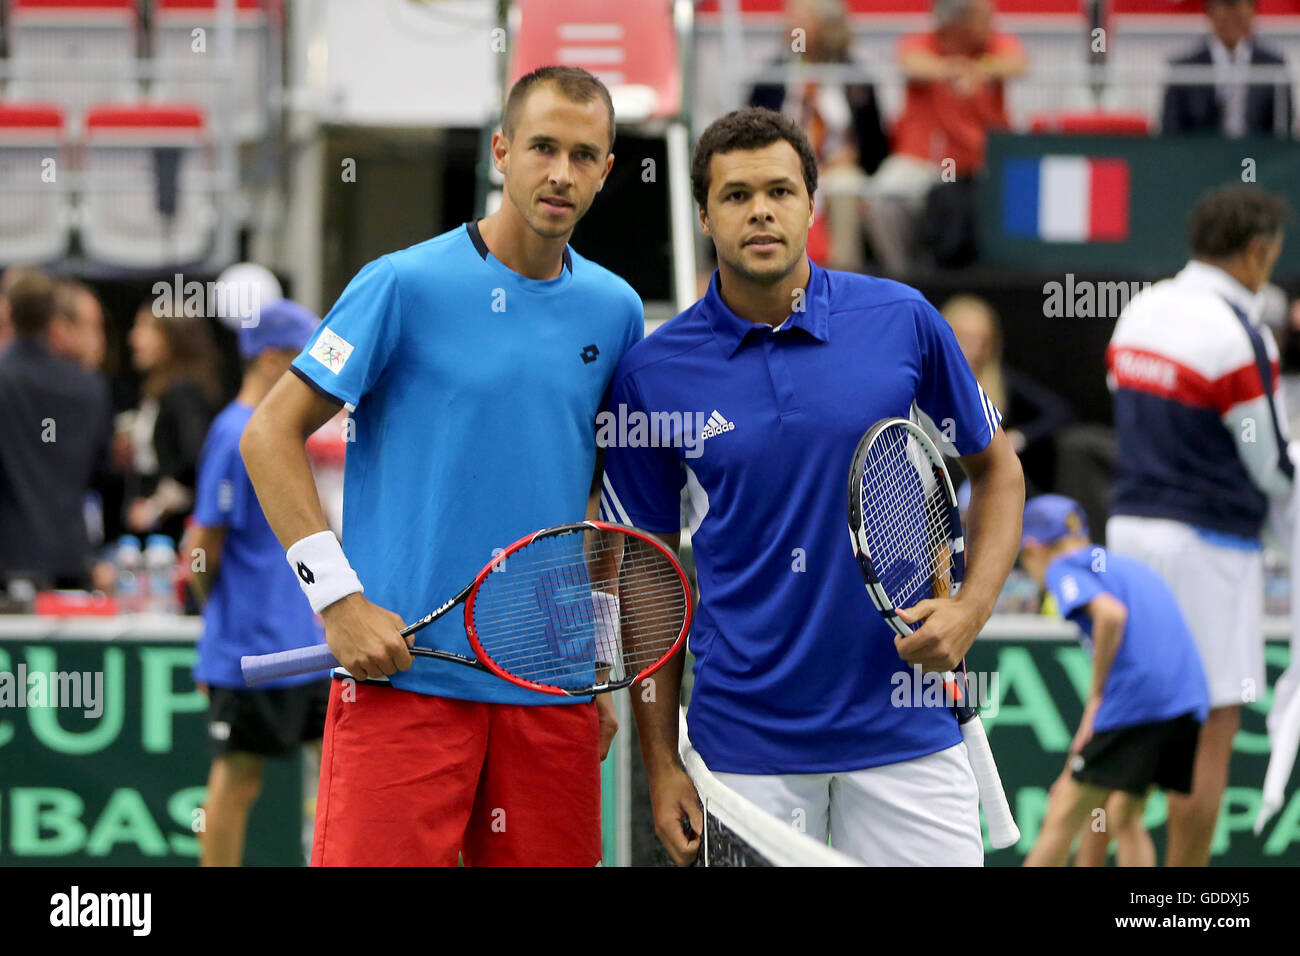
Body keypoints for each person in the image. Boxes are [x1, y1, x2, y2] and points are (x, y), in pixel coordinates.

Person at [239, 66, 643, 866]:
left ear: (606, 171)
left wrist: (598, 665)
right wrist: (340, 602)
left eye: (583, 154)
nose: (560, 172)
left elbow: (597, 500)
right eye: (542, 147)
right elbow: (268, 435)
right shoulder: (399, 284)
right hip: (405, 688)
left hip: (550, 696)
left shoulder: (617, 310)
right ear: (501, 152)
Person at [601, 107, 1024, 866]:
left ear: (810, 204)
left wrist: (971, 610)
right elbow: (648, 577)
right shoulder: (650, 375)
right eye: (735, 196)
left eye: (779, 191)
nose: (759, 210)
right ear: (704, 214)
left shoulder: (902, 320)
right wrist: (661, 765)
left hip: (909, 724)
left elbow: (999, 470)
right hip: (744, 746)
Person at [1106, 184, 1292, 866]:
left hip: (1127, 534)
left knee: (1135, 719)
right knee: (1210, 726)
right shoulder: (1239, 334)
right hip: (1205, 549)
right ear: (1255, 253)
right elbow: (1269, 466)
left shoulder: (1140, 309)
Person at [186, 299, 329, 867]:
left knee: (340, 771)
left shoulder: (277, 431)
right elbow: (201, 548)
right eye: (302, 359)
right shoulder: (231, 434)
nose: (316, 376)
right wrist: (220, 624)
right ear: (272, 360)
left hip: (308, 645)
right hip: (247, 651)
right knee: (237, 781)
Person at [1018, 495, 1210, 867]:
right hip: (1188, 703)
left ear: (1032, 548)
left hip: (1141, 702)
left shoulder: (1062, 566)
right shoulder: (1125, 567)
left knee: (1062, 814)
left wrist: (1096, 696)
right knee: (1123, 813)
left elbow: (1110, 616)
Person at [867, 0, 1026, 273]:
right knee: (884, 198)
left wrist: (979, 71)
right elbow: (910, 62)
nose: (991, 22)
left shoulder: (993, 45)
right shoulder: (923, 42)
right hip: (922, 162)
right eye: (982, 17)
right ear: (957, 21)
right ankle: (903, 278)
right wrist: (951, 71)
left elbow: (1018, 62)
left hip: (981, 165)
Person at [749, 0, 889, 272]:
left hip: (840, 169)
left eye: (799, 16)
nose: (789, 24)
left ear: (825, 25)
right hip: (783, 166)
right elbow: (751, 135)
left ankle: (843, 276)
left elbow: (876, 146)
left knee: (845, 186)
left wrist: (854, 155)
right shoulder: (772, 76)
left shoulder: (854, 76)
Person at [0, 271, 111, 591]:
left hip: (8, 560)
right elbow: (102, 471)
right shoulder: (89, 386)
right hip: (71, 558)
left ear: (9, 313)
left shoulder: (6, 379)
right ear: (53, 319)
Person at [941, 294, 1075, 494]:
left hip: (983, 488)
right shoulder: (926, 381)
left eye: (982, 342)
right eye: (964, 339)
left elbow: (1060, 412)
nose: (974, 351)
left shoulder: (1001, 381)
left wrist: (1018, 438)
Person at [121, 303, 221, 545]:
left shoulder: (184, 391)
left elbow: (195, 459)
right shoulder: (159, 390)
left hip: (172, 537)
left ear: (173, 338)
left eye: (146, 328)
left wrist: (157, 505)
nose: (134, 338)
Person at [1161, 0, 1292, 139]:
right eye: (1226, 5)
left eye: (1238, 6)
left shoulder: (1273, 65)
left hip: (1258, 157)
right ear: (1209, 12)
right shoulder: (1184, 67)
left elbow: (1282, 129)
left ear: (1253, 11)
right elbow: (1171, 133)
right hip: (1199, 155)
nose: (1232, 14)